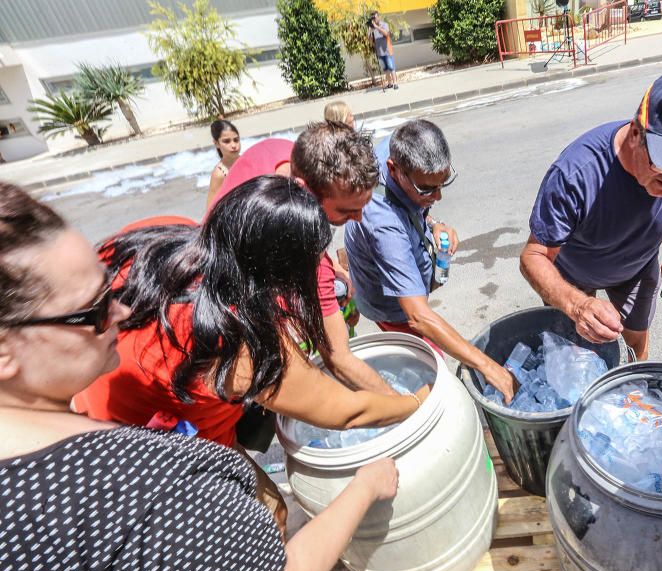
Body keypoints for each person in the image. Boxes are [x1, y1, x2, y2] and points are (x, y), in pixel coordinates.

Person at [0, 181, 395, 571]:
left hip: (161, 415)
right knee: (267, 511)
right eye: (94, 311)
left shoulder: (159, 240)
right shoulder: (142, 485)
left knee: (264, 500)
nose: (121, 310)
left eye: (108, 284)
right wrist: (370, 478)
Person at [74, 177, 427, 525]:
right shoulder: (236, 343)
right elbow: (346, 412)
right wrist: (415, 403)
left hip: (100, 410)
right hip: (154, 452)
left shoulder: (166, 233)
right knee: (270, 513)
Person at [519, 69, 662, 360]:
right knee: (574, 350)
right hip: (573, 275)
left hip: (638, 269)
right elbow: (533, 257)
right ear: (635, 134)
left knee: (635, 343)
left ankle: (633, 389)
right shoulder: (576, 174)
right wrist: (577, 306)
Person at [209, 121, 392, 396]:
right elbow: (339, 359)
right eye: (346, 211)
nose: (358, 219)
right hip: (222, 327)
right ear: (304, 190)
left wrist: (331, 263)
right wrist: (408, 404)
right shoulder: (297, 246)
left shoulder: (280, 151)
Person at [344, 119, 517, 403]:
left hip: (406, 269)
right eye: (427, 190)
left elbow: (421, 204)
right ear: (393, 169)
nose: (438, 196)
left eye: (443, 183)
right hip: (392, 307)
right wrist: (488, 366)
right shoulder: (384, 225)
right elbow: (417, 316)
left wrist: (434, 221)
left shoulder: (399, 144)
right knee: (434, 375)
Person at [206, 119, 241, 208]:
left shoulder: (247, 161)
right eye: (226, 141)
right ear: (216, 143)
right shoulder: (220, 174)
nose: (233, 145)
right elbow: (211, 208)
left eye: (236, 140)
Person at [369, 11, 398, 91]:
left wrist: (377, 27)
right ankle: (390, 83)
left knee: (391, 67)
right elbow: (371, 42)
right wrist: (370, 32)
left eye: (375, 17)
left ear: (378, 17)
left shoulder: (384, 25)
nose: (374, 19)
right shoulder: (372, 29)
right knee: (385, 69)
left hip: (387, 50)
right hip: (380, 51)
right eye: (373, 18)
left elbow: (386, 34)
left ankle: (395, 83)